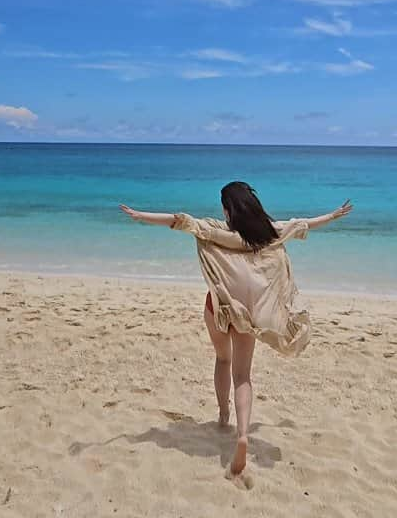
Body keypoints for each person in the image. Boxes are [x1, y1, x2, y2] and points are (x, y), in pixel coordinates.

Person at [120, 181, 353, 479]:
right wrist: (333, 216)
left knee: (222, 359)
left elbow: (180, 220)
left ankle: (222, 415)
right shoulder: (268, 233)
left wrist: (141, 215)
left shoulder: (218, 232)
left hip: (217, 308)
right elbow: (302, 224)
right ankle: (242, 434)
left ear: (228, 209)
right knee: (243, 375)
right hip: (246, 314)